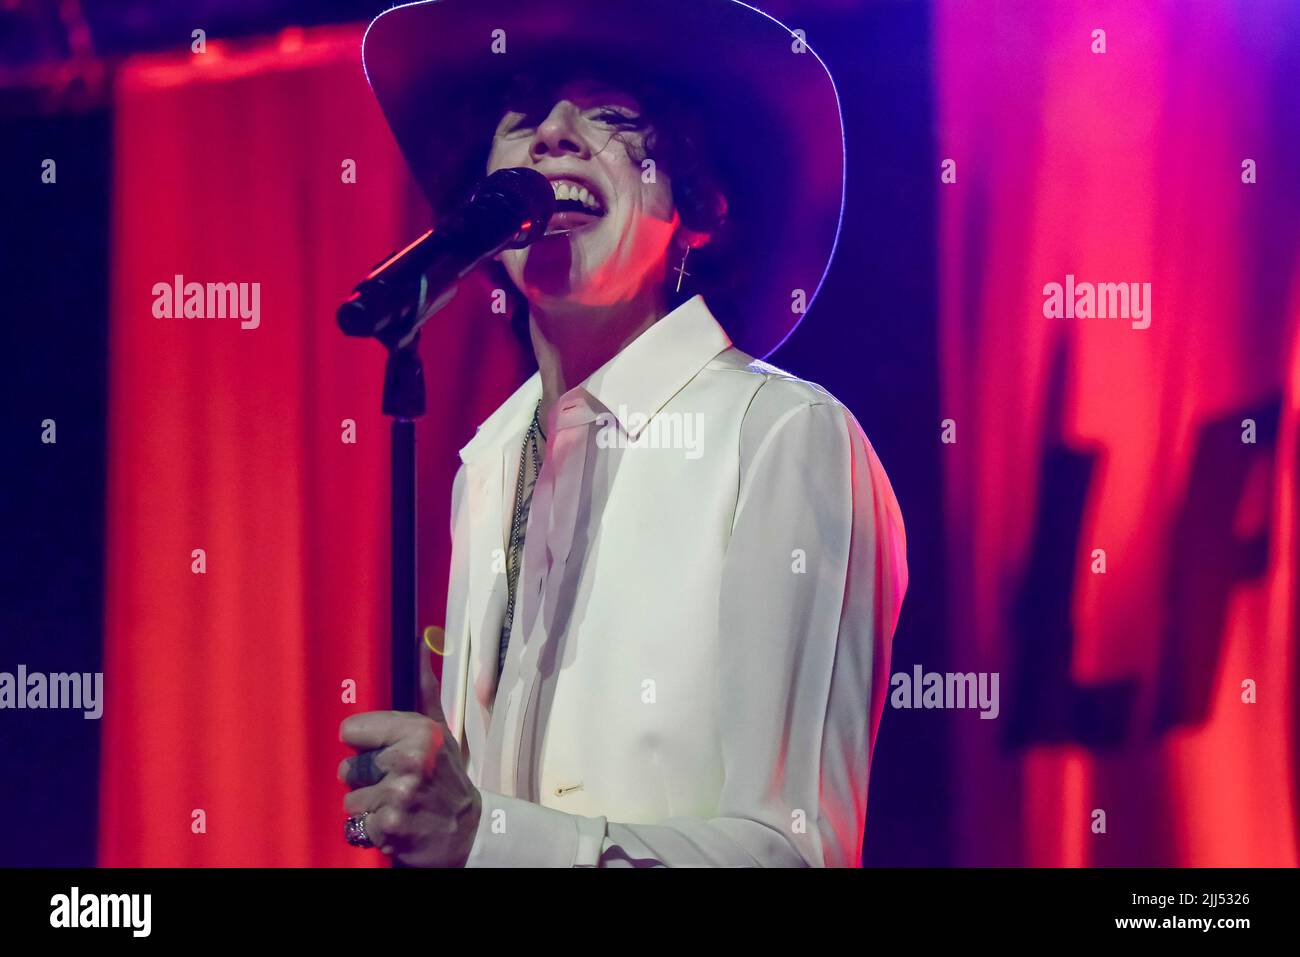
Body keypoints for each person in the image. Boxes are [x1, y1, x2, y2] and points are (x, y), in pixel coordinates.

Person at [338, 0, 908, 867]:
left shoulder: (784, 440)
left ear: (697, 204)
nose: (555, 135)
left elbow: (796, 854)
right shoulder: (486, 469)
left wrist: (482, 832)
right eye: (523, 118)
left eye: (609, 115)